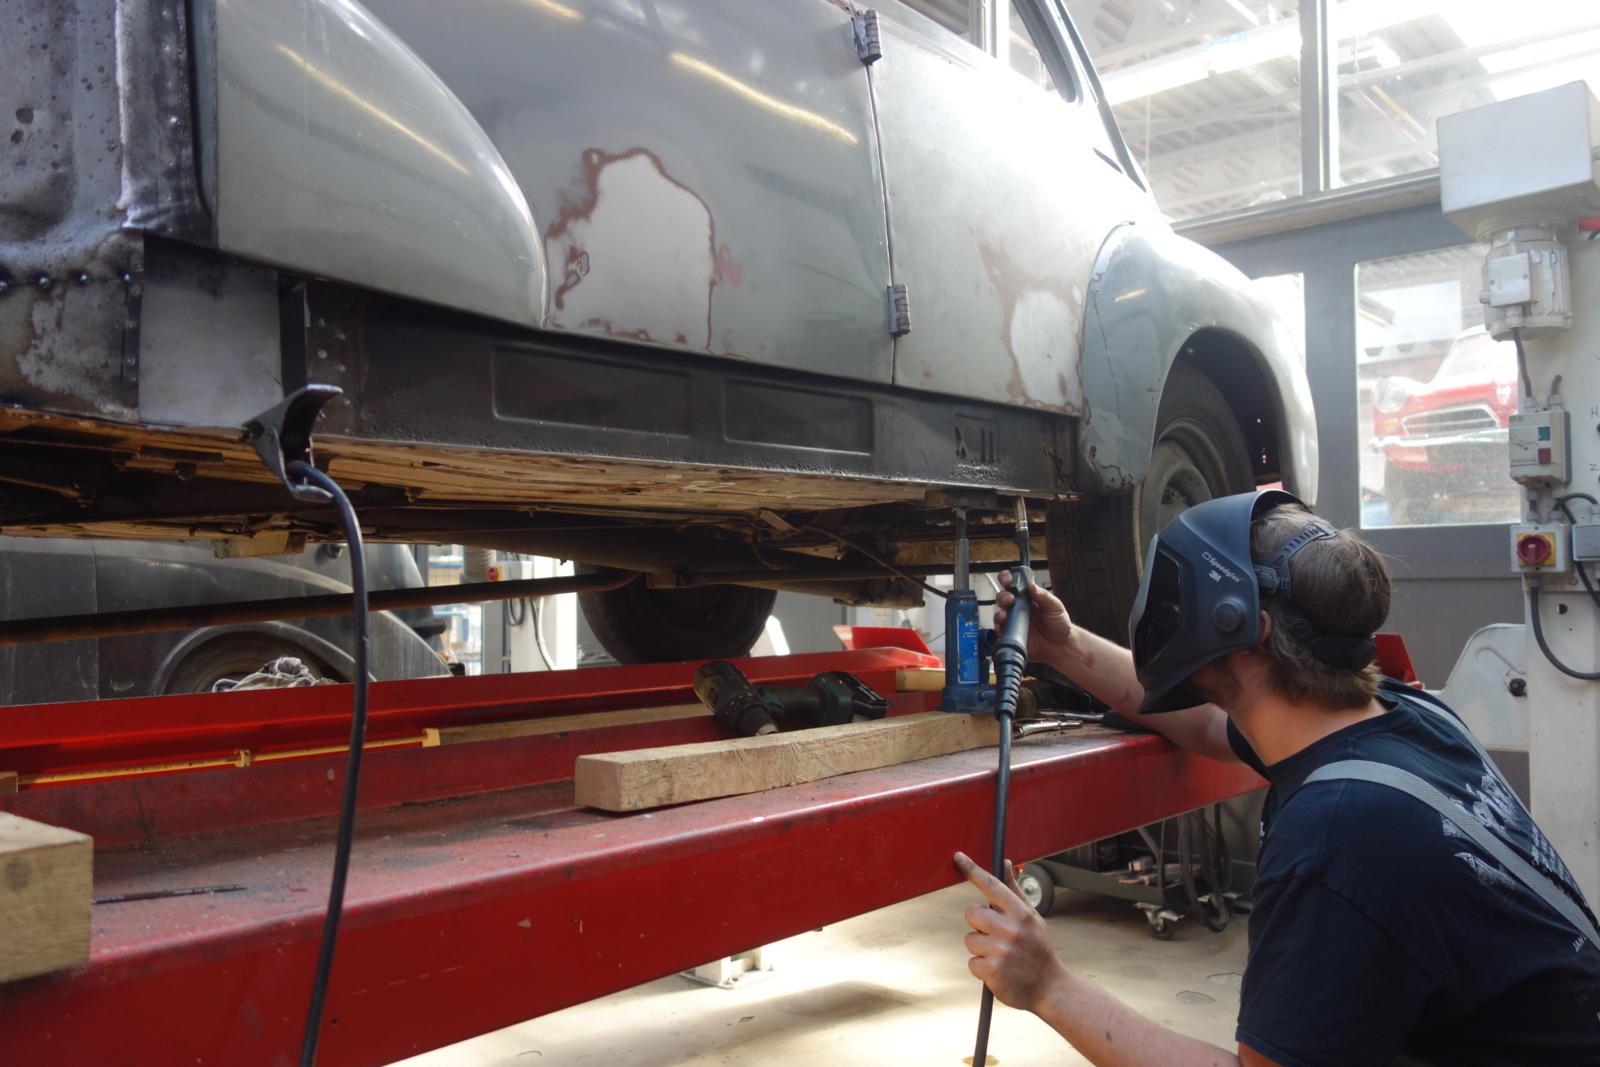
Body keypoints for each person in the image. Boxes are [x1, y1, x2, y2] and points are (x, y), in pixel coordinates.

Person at [955, 489, 1600, 1066]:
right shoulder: (1405, 717)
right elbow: (1212, 727)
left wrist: (1050, 986)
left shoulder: (1337, 835)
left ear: (1243, 625)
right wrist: (1065, 647)